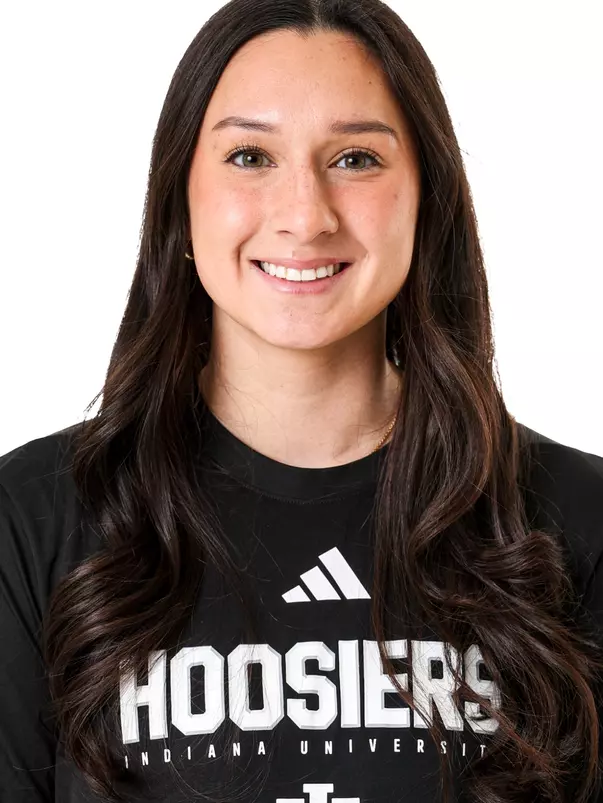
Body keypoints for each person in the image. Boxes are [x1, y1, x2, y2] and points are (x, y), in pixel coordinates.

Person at [1, 1, 602, 801]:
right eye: (250, 156)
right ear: (181, 198)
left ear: (427, 198)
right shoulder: (30, 522)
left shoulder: (575, 519)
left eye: (355, 158)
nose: (304, 215)